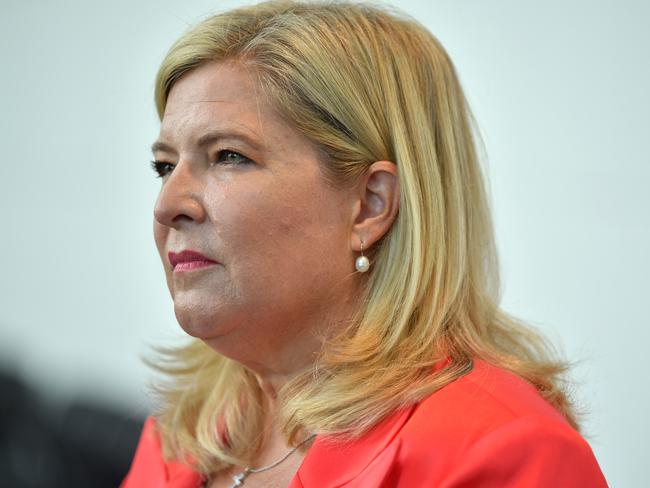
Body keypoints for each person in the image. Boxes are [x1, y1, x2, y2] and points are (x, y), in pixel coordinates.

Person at [122, 1, 608, 486]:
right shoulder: (183, 438)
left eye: (229, 156)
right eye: (165, 166)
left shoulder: (503, 451)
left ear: (370, 205)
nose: (168, 204)